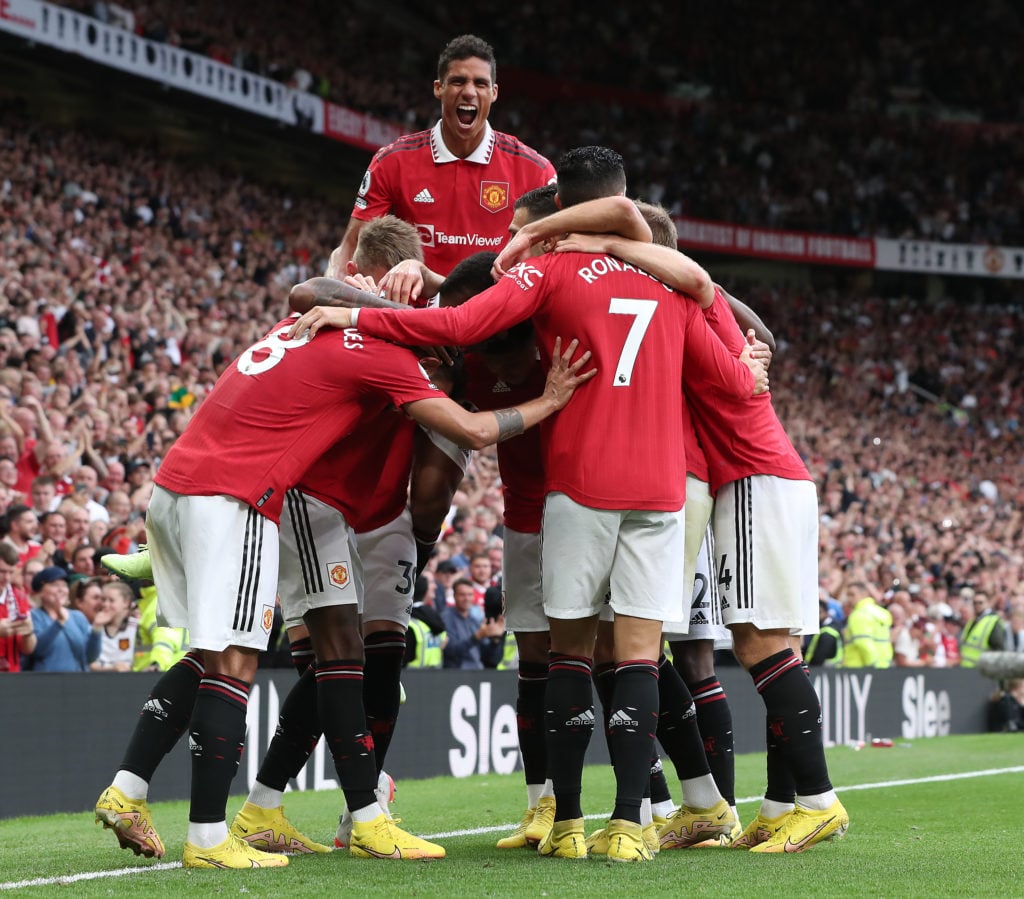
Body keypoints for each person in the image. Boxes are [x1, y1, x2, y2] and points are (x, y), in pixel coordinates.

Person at [289, 145, 767, 862]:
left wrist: (356, 317)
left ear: (554, 211)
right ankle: (596, 811)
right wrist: (748, 368)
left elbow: (457, 325)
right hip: (608, 495)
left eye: (524, 219)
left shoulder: (548, 278)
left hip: (584, 489)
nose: (511, 230)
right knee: (596, 656)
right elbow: (731, 356)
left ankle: (636, 809)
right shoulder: (636, 285)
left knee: (598, 655)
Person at [93, 307, 593, 869]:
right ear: (433, 355)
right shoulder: (392, 360)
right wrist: (549, 400)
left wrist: (348, 301)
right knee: (245, 660)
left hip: (180, 482)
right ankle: (219, 836)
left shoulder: (309, 326)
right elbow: (471, 431)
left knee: (219, 652)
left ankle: (131, 789)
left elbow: (317, 290)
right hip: (246, 494)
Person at [503, 195, 849, 854]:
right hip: (753, 479)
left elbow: (708, 300)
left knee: (715, 645)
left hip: (736, 480)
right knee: (741, 643)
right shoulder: (681, 307)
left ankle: (791, 799)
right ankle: (772, 803)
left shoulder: (673, 304)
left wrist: (602, 250)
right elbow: (729, 314)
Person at [331, 34, 555, 286]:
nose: (469, 92)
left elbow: (560, 248)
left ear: (493, 93)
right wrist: (336, 295)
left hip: (493, 316)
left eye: (480, 84)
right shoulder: (393, 161)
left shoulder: (534, 170)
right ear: (439, 88)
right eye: (458, 81)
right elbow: (353, 243)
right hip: (414, 313)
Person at [22, 566, 110, 671]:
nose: (61, 590)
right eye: (55, 585)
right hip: (45, 683)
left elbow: (90, 657)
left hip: (77, 682)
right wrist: (58, 623)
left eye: (64, 585)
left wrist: (97, 628)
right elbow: (37, 651)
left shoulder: (78, 617)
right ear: (40, 592)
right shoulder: (33, 616)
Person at [441, 579, 503, 669]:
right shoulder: (446, 618)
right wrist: (476, 637)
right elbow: (449, 651)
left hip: (476, 673)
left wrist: (495, 639)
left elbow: (487, 657)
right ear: (454, 596)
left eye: (470, 595)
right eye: (462, 595)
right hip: (455, 674)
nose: (467, 598)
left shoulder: (474, 620)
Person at [0, 542, 36, 671]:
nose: (6, 578)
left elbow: (28, 649)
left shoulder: (19, 597)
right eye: (2, 572)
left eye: (11, 572)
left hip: (12, 675)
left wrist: (29, 633)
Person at [842, 583, 893, 668]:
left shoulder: (858, 614)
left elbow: (863, 642)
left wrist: (872, 665)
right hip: (884, 665)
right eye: (848, 595)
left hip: (859, 668)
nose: (849, 598)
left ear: (864, 593)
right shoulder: (882, 612)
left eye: (852, 594)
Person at [91, 580, 139, 671]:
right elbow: (89, 664)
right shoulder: (94, 627)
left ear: (126, 602)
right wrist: (112, 669)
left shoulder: (136, 627)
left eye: (111, 600)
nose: (105, 604)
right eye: (103, 600)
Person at [960, 590, 1007, 667]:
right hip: (966, 667)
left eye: (980, 602)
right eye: (975, 603)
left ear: (988, 603)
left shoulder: (993, 621)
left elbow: (998, 648)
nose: (977, 605)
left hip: (981, 669)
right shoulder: (972, 621)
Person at [805, 599, 844, 666]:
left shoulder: (828, 632)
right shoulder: (824, 628)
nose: (817, 616)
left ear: (826, 612)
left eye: (819, 612)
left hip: (826, 670)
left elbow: (819, 656)